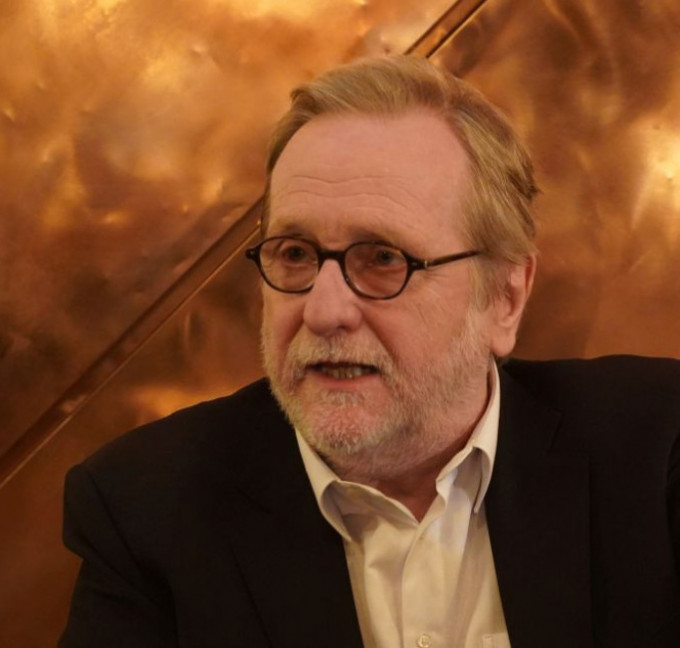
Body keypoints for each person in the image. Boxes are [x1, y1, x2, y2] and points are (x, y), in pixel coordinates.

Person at [59, 55, 680, 648]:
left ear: (505, 297)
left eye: (384, 258)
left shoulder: (658, 450)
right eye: (295, 254)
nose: (324, 311)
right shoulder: (144, 511)